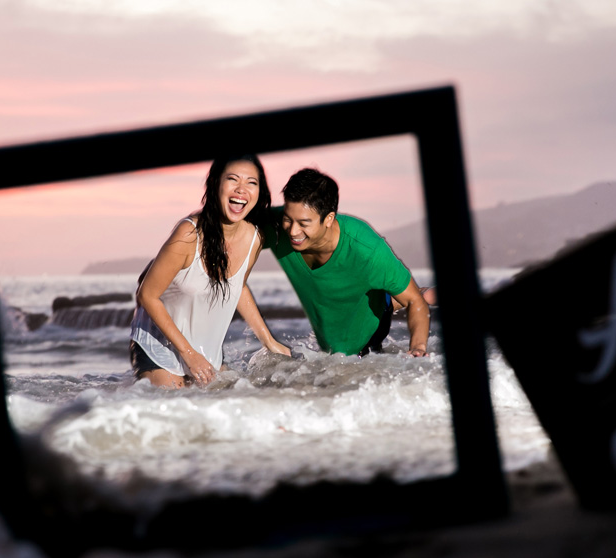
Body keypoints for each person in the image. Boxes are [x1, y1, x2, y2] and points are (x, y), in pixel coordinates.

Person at [130, 154, 291, 388]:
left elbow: (238, 287)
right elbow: (147, 295)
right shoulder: (189, 234)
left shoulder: (254, 239)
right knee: (174, 412)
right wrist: (189, 354)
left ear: (260, 192)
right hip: (159, 346)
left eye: (251, 182)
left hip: (206, 348)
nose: (241, 189)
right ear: (215, 183)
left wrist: (269, 341)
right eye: (233, 179)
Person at [268, 168, 431, 357]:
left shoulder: (367, 250)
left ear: (329, 219)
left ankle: (415, 295)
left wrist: (418, 348)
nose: (293, 231)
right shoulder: (276, 225)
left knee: (409, 297)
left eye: (304, 224)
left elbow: (413, 301)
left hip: (370, 329)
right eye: (288, 219)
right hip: (346, 303)